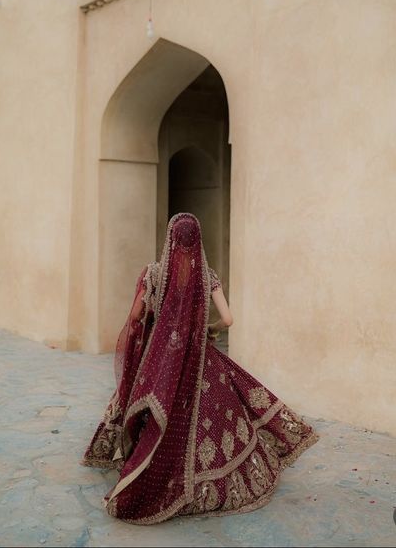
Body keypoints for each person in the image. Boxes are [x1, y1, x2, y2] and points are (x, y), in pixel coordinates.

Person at [80, 212, 318, 524]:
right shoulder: (208, 276)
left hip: (160, 360)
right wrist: (209, 328)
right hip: (199, 359)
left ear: (169, 239)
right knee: (220, 412)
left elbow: (137, 314)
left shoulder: (152, 275)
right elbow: (228, 320)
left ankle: (143, 468)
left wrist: (151, 334)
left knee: (155, 412)